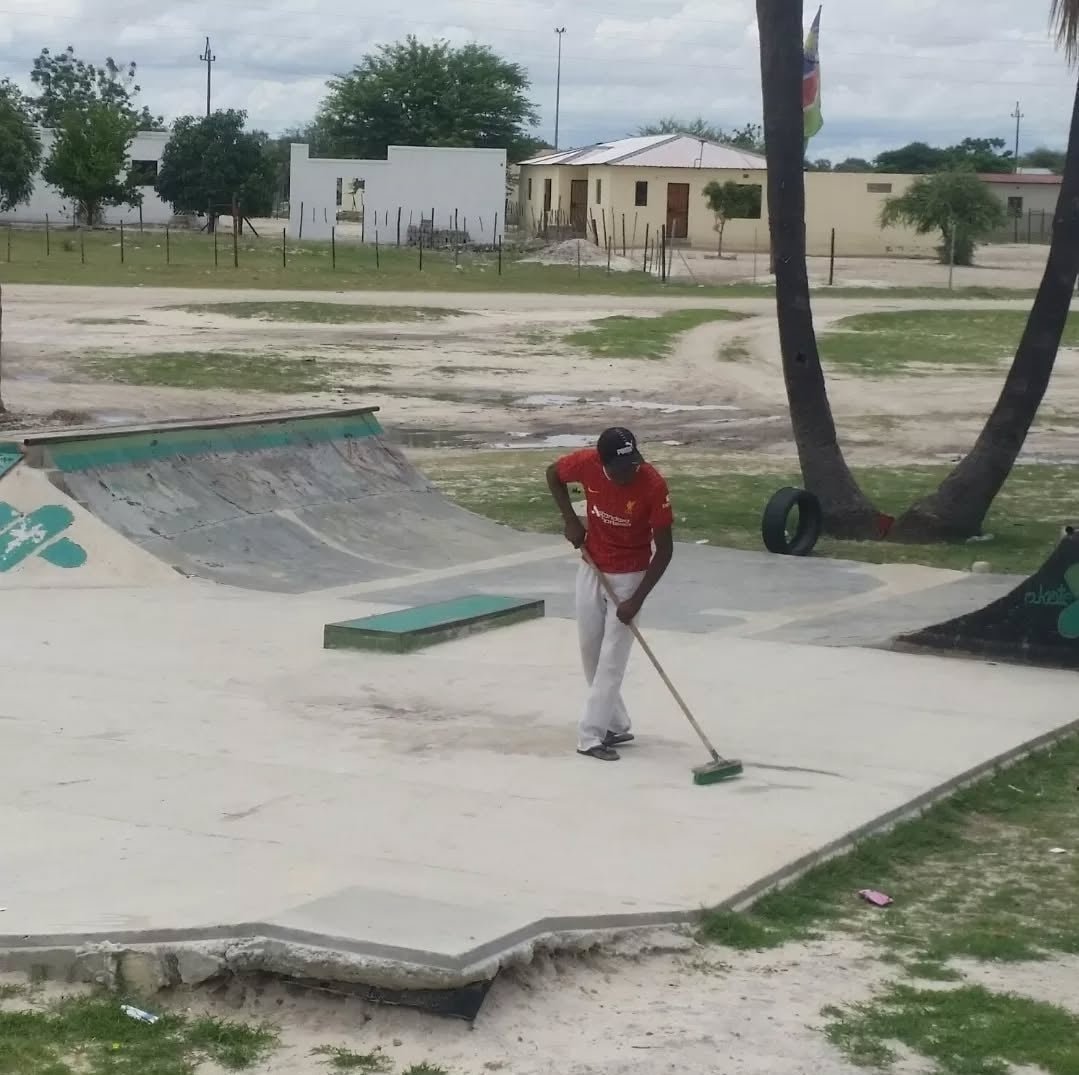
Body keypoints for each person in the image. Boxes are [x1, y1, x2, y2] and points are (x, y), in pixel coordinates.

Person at [546, 427, 674, 761]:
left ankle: (590, 736)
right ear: (603, 463)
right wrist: (571, 520)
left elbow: (664, 551)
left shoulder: (653, 485)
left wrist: (636, 600)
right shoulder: (585, 463)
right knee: (590, 653)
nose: (628, 473)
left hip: (631, 576)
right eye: (619, 468)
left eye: (633, 464)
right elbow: (552, 474)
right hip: (592, 566)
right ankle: (615, 723)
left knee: (611, 661)